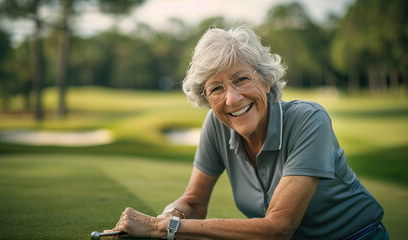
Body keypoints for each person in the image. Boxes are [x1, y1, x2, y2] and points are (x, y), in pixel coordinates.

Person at [106, 25, 389, 240]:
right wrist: (171, 215)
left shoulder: (309, 120)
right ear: (206, 98)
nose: (232, 99)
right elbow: (192, 202)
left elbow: (278, 227)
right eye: (216, 88)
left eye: (241, 79)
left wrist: (161, 227)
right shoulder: (216, 125)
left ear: (265, 80)